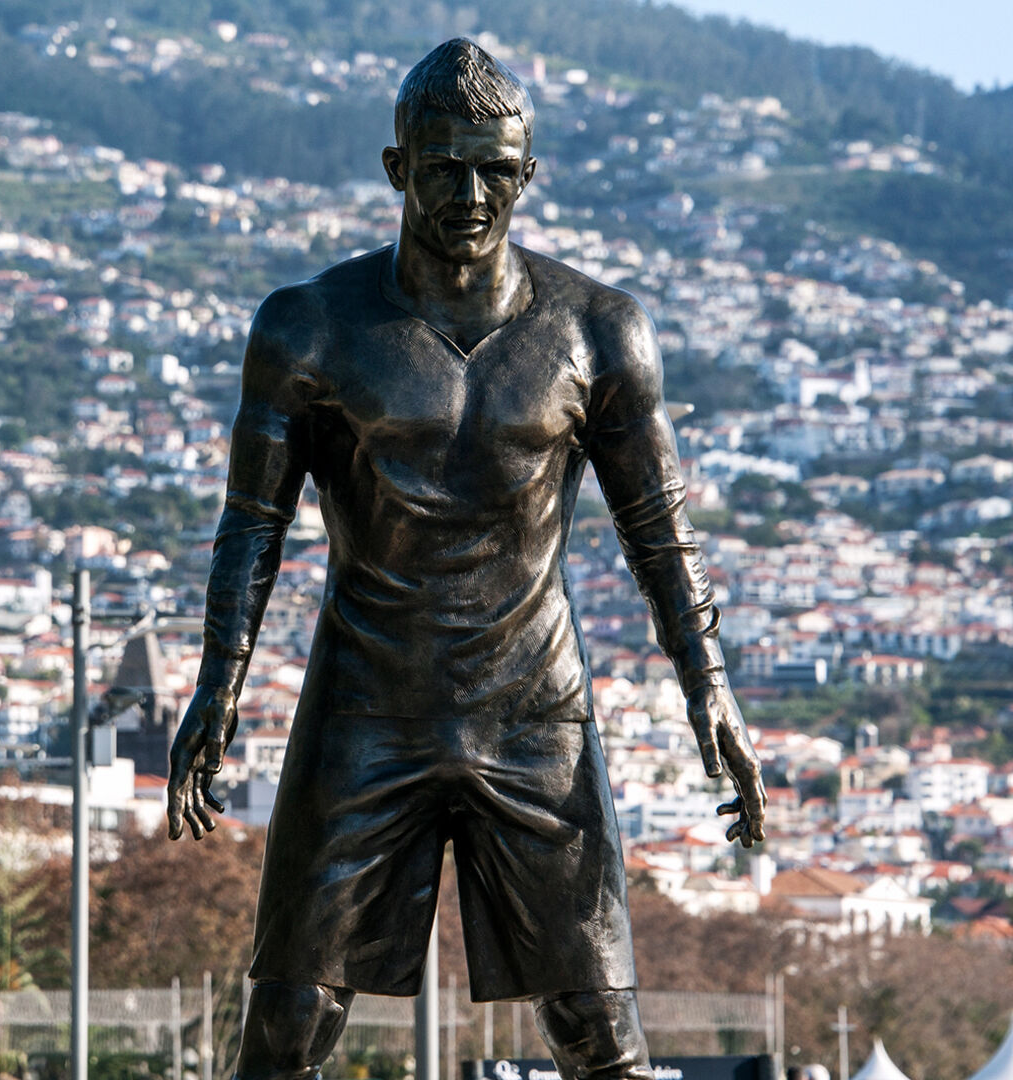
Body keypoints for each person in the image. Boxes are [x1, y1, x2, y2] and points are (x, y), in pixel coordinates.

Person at [165, 38, 768, 1080]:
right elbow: (249, 527)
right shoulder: (309, 329)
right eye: (444, 167)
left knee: (602, 1033)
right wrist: (215, 687)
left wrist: (709, 691)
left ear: (528, 173)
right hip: (365, 704)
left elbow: (659, 533)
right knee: (284, 1028)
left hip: (535, 709)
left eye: (496, 168)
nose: (472, 192)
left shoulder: (599, 330)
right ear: (397, 168)